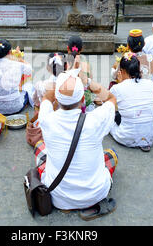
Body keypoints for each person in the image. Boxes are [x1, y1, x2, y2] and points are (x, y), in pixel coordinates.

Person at [34, 71, 119, 221]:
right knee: (111, 154)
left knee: (39, 146)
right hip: (96, 194)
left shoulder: (47, 118)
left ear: (57, 99)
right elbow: (111, 98)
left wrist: (62, 86)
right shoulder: (96, 119)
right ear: (82, 99)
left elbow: (47, 97)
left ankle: (68, 206)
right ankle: (88, 203)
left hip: (57, 197)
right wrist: (89, 83)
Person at [110, 52, 153, 152]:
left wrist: (121, 83)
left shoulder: (117, 88)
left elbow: (109, 106)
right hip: (152, 135)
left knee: (109, 118)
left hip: (127, 137)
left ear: (121, 71)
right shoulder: (150, 84)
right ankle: (144, 140)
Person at [0, 39, 32, 115]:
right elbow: (29, 70)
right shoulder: (17, 64)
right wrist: (19, 58)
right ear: (10, 52)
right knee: (27, 89)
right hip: (16, 107)